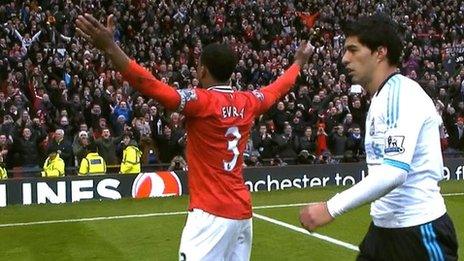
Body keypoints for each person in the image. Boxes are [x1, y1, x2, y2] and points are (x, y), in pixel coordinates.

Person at [76, 13, 313, 261]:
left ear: (202, 70)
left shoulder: (201, 101)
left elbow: (149, 85)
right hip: (242, 213)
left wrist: (110, 47)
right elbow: (278, 88)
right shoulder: (249, 101)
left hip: (210, 214)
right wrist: (298, 62)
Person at [299, 14, 458, 260]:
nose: (344, 58)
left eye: (353, 50)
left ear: (380, 52)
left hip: (417, 233)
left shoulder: (400, 95)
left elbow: (394, 171)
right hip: (383, 230)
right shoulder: (381, 98)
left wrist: (330, 208)